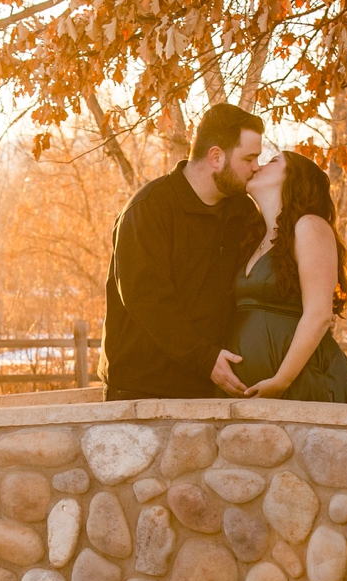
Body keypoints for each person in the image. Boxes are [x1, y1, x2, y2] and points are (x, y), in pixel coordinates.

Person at [102, 104, 267, 400]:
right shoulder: (149, 210)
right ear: (216, 157)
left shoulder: (242, 212)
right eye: (249, 158)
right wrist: (205, 359)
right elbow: (148, 300)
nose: (256, 167)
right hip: (143, 391)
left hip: (211, 389)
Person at [214, 144, 347, 403]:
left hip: (303, 384)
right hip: (248, 396)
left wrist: (281, 380)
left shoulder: (310, 226)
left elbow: (319, 314)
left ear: (293, 179)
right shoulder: (255, 238)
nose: (257, 166)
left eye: (272, 161)